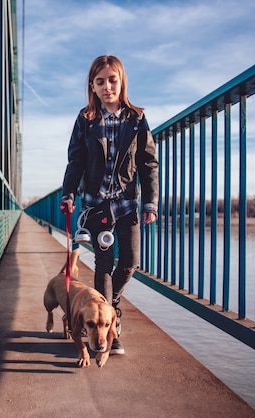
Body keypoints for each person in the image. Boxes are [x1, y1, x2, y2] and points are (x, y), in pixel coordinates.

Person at [60, 55, 159, 355]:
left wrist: (151, 203)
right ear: (92, 86)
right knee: (104, 264)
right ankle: (110, 330)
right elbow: (75, 160)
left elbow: (148, 163)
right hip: (96, 205)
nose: (107, 87)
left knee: (130, 261)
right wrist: (68, 194)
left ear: (121, 82)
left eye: (112, 80)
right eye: (100, 81)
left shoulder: (137, 119)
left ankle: (110, 304)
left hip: (128, 203)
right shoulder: (86, 119)